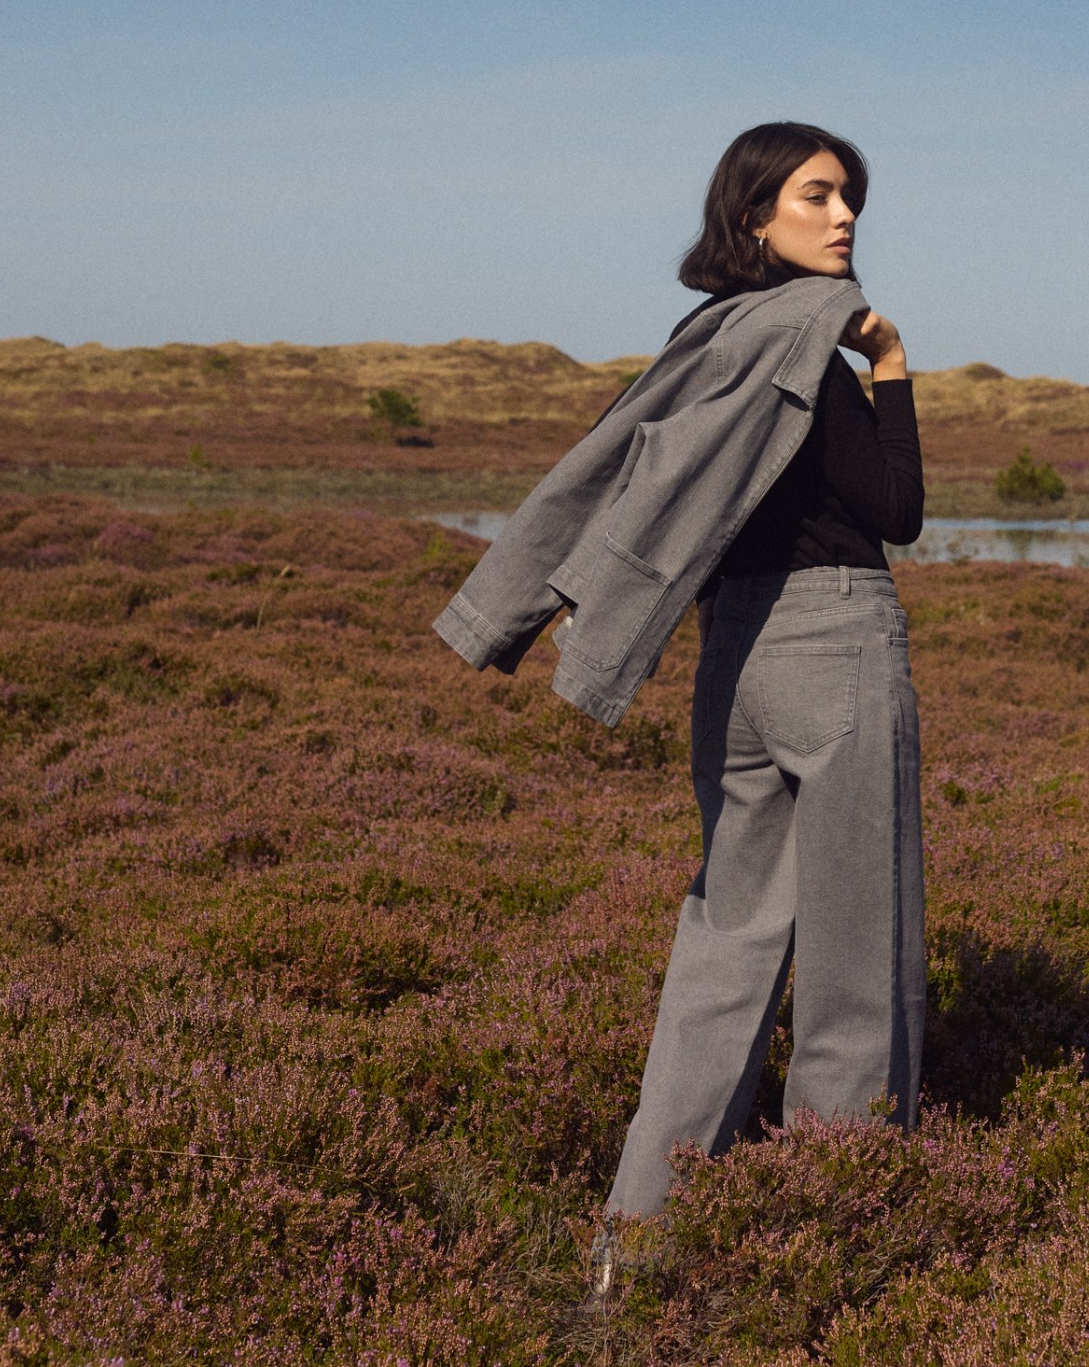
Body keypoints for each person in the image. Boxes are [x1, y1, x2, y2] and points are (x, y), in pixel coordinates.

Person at [433, 122, 925, 1298]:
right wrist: (893, 363)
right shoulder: (818, 336)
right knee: (863, 945)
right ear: (758, 216)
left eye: (851, 197)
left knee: (725, 941)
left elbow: (622, 477)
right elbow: (893, 508)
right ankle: (831, 1239)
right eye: (818, 195)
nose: (844, 214)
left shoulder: (703, 341)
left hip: (733, 656)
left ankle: (631, 1250)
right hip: (836, 640)